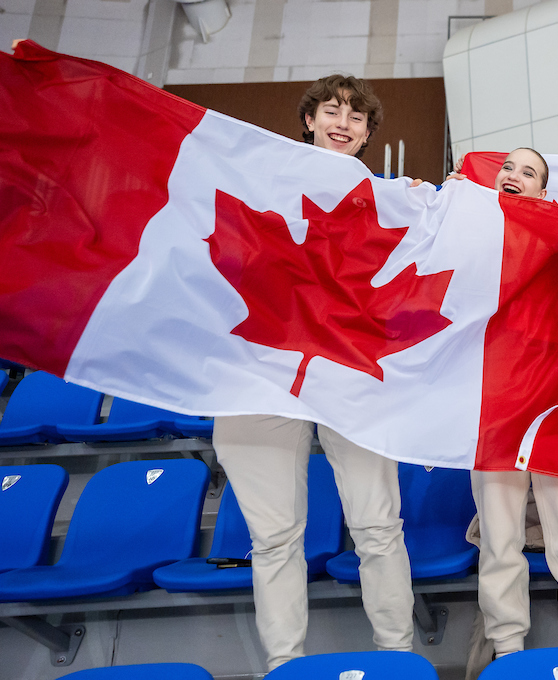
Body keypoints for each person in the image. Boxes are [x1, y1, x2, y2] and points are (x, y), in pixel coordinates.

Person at [212, 74, 415, 671]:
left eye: (357, 117)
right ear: (308, 120)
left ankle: (397, 659)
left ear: (368, 133)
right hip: (261, 372)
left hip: (352, 374)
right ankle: (284, 666)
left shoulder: (393, 198)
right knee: (274, 539)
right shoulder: (258, 181)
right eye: (332, 111)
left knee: (378, 526)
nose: (344, 123)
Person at [452, 147, 558, 660]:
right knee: (499, 537)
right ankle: (508, 649)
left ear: (543, 191)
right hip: (495, 404)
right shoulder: (470, 230)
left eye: (529, 172)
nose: (514, 176)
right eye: (508, 168)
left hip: (556, 403)